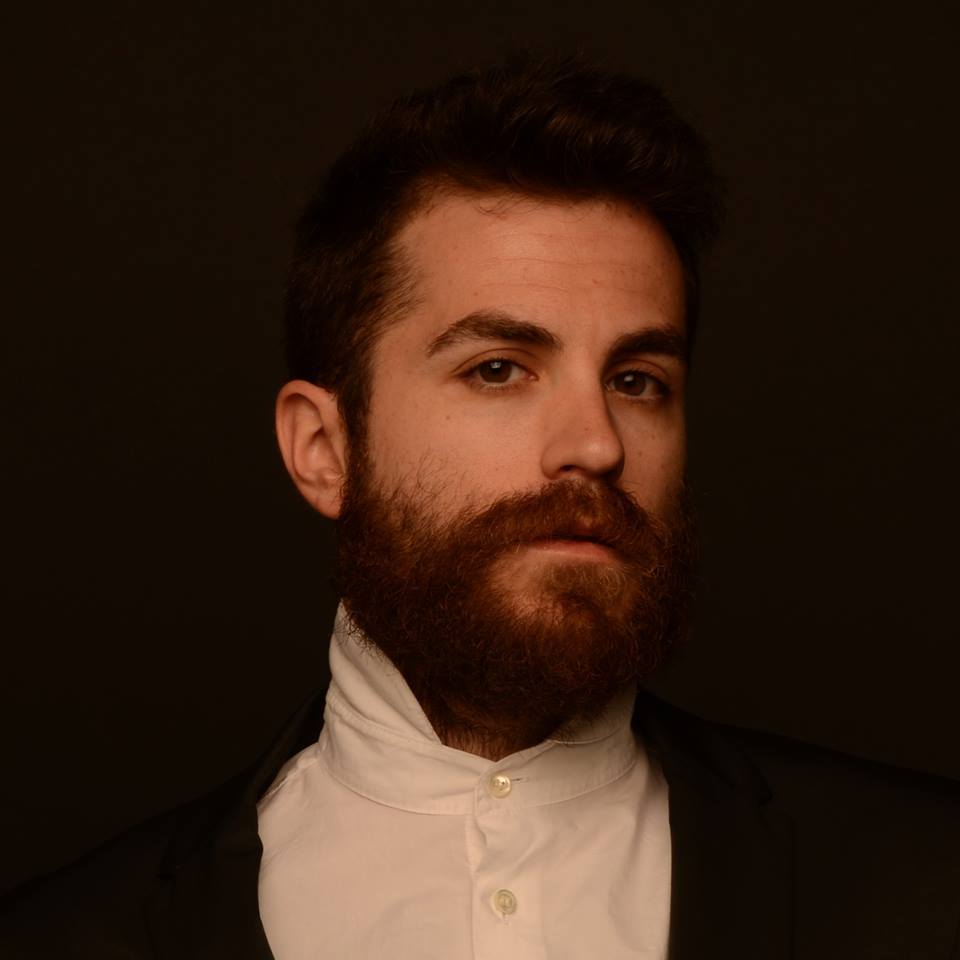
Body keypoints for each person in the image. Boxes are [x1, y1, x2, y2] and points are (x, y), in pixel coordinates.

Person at [2, 53, 958, 960]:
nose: (596, 444)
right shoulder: (67, 939)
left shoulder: (927, 885)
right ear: (323, 449)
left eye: (636, 379)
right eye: (498, 369)